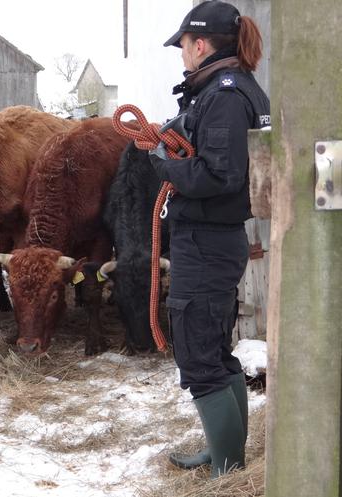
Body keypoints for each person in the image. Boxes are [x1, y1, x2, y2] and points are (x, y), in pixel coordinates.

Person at [148, 0, 270, 479]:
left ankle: (226, 468)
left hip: (207, 241)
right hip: (213, 240)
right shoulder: (227, 91)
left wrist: (163, 163)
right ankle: (227, 453)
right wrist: (174, 133)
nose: (181, 55)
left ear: (200, 45)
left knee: (199, 354)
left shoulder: (222, 95)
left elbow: (218, 175)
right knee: (215, 350)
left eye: (183, 46)